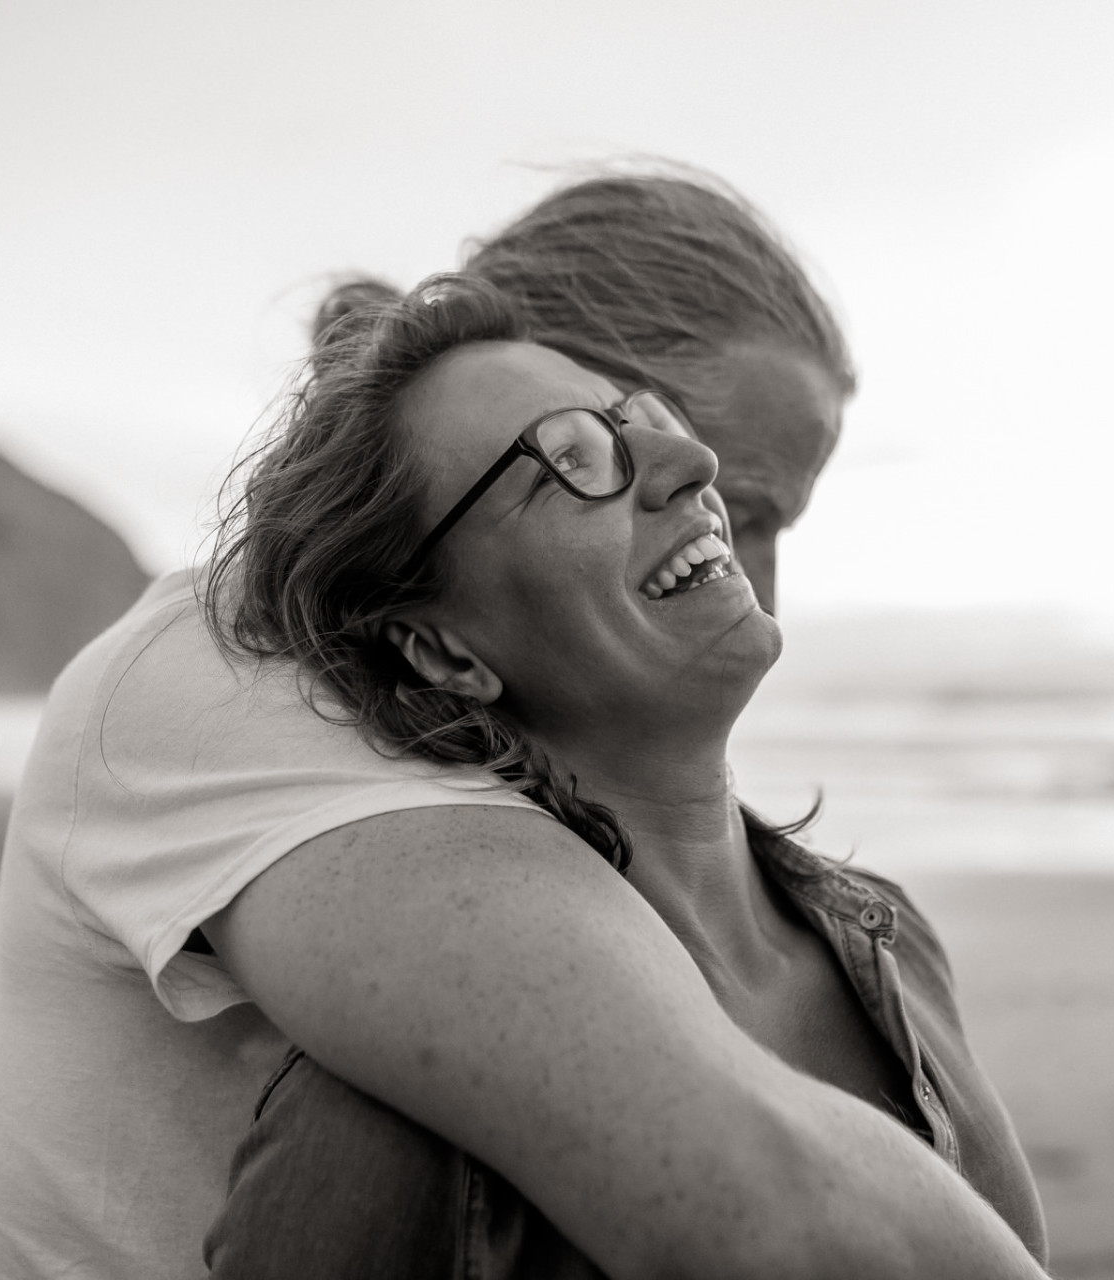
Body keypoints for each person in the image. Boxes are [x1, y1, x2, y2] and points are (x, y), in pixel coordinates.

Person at [0, 171, 1018, 1280]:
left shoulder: (859, 933)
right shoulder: (225, 668)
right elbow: (751, 1182)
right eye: (586, 446)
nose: (733, 540)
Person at [198, 275, 1048, 1278]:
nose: (691, 462)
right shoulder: (412, 1103)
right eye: (570, 458)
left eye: (638, 418)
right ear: (441, 649)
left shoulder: (889, 941)